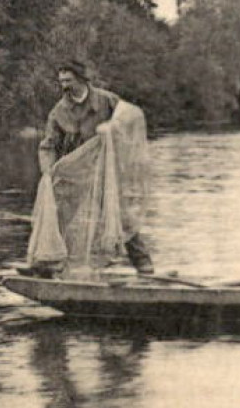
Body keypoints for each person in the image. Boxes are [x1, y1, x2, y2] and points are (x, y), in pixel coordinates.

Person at [35, 60, 155, 276]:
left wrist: (112, 128)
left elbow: (131, 118)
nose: (64, 86)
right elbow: (49, 144)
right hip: (77, 175)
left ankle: (144, 266)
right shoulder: (59, 111)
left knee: (121, 216)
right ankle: (49, 266)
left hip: (108, 173)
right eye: (61, 81)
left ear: (81, 79)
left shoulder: (107, 100)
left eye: (69, 80)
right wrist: (47, 170)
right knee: (63, 216)